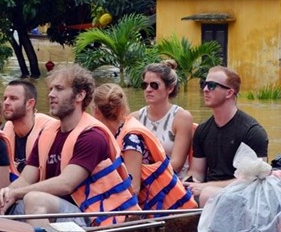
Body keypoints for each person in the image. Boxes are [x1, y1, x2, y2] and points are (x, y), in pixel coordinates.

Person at [0, 65, 138, 227]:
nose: (51, 94)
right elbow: (26, 179)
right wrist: (7, 193)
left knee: (35, 199)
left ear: (79, 96)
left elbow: (66, 184)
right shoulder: (47, 134)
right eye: (51, 89)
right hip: (53, 212)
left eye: (59, 89)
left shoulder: (92, 136)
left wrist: (17, 193)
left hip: (93, 218)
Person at [93, 83, 197, 214]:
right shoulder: (117, 133)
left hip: (156, 208)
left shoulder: (130, 139)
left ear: (96, 112)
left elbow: (134, 188)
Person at [187, 66, 269, 205]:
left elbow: (255, 180)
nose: (205, 89)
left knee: (207, 194)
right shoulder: (202, 129)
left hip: (243, 196)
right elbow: (197, 172)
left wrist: (206, 187)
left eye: (212, 85)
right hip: (208, 192)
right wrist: (188, 183)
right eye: (204, 84)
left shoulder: (253, 132)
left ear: (229, 93)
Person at [132, 61, 194, 178]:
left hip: (172, 181)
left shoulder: (181, 118)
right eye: (145, 85)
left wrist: (141, 172)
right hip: (140, 179)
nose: (148, 89)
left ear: (170, 88)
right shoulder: (134, 118)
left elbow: (176, 164)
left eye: (154, 85)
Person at [1, 80, 55, 173]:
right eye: (5, 98)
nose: (6, 102)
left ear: (30, 104)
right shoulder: (3, 132)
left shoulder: (50, 132)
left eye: (13, 98)